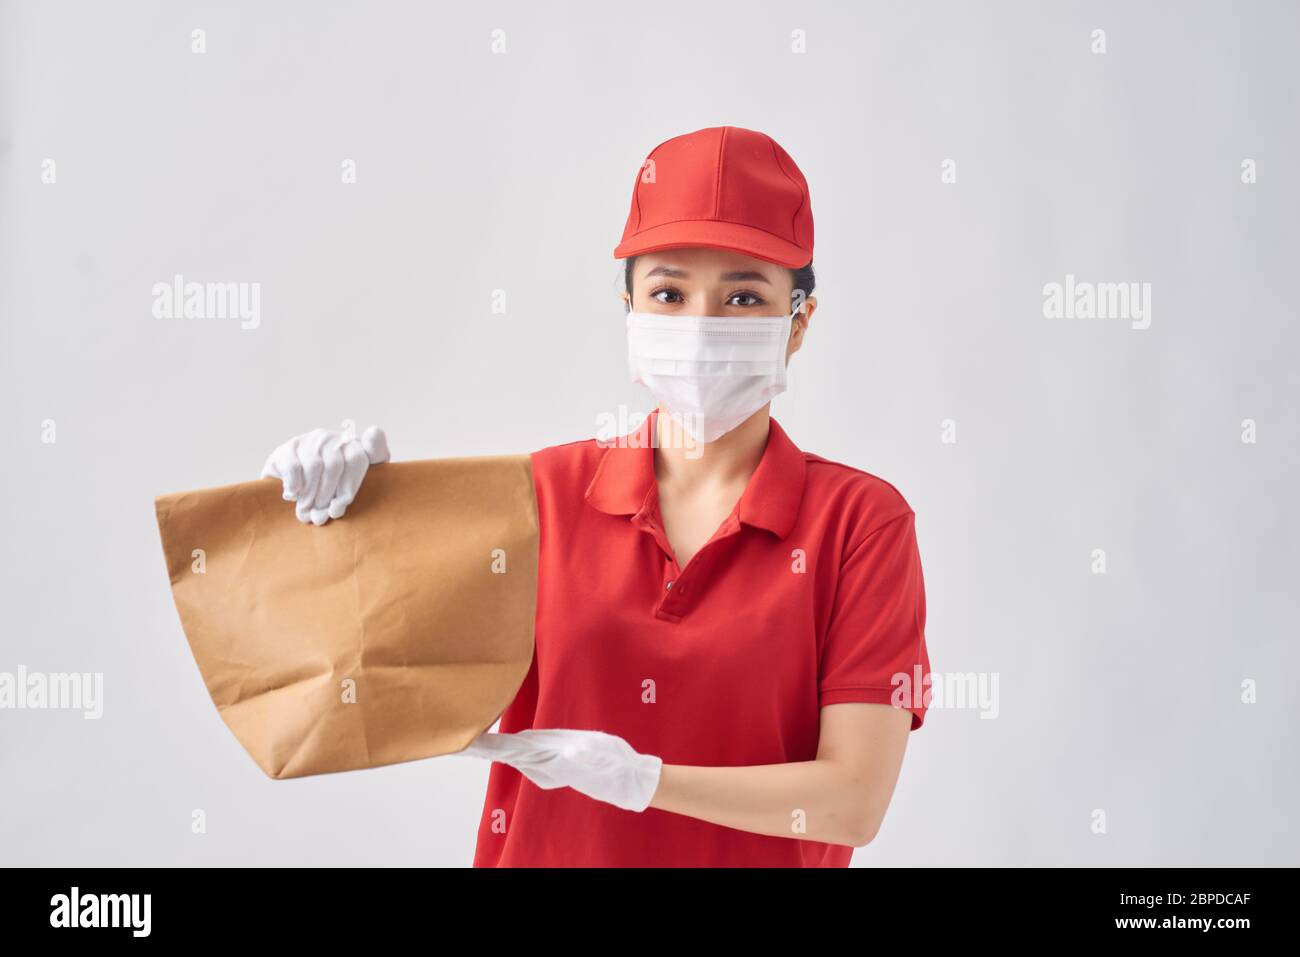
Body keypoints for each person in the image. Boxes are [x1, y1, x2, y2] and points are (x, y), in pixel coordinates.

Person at [260, 126, 933, 867]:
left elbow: (853, 801)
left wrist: (644, 781)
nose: (701, 326)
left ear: (798, 323)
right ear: (629, 307)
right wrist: (334, 523)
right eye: (669, 293)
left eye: (744, 296)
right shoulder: (541, 495)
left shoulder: (859, 525)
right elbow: (361, 684)